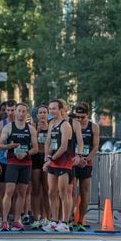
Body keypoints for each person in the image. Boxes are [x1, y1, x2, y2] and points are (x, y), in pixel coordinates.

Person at [0, 103, 38, 231]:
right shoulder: (9, 127)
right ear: (15, 112)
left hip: (26, 163)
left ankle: (16, 220)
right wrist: (9, 147)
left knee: (22, 192)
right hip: (12, 163)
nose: (21, 113)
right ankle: (4, 221)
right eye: (19, 111)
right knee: (9, 191)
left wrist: (25, 153)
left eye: (23, 111)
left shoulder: (31, 129)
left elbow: (36, 148)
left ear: (26, 113)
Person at [43, 99, 74, 232]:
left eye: (54, 108)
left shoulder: (65, 125)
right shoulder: (51, 124)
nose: (51, 111)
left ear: (60, 110)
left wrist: (51, 159)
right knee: (51, 192)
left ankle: (65, 222)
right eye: (50, 109)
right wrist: (46, 156)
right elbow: (48, 142)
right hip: (53, 161)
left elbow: (63, 146)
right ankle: (54, 220)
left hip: (64, 162)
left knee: (63, 192)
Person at [71, 103, 99, 231]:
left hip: (86, 162)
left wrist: (87, 158)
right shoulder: (71, 125)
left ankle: (81, 219)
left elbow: (95, 146)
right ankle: (70, 217)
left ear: (87, 115)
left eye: (82, 117)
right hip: (73, 161)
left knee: (84, 191)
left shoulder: (93, 127)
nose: (79, 120)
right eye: (77, 117)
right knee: (71, 191)